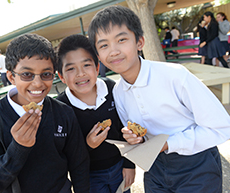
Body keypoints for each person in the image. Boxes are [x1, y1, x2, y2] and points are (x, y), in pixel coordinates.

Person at [88, 5, 230, 193]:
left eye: (121, 40)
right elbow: (143, 136)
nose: (113, 51)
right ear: (98, 56)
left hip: (197, 166)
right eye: (104, 45)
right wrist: (136, 139)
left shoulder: (175, 76)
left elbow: (222, 127)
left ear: (140, 42)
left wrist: (169, 144)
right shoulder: (119, 92)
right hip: (155, 170)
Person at [0, 33, 90, 193]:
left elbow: (79, 165)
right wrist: (18, 148)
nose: (38, 83)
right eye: (27, 74)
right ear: (11, 77)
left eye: (46, 74)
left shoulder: (63, 112)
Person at [56, 34, 136, 193]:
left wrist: (129, 164)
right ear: (61, 76)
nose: (80, 73)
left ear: (97, 67)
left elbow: (128, 126)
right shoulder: (61, 107)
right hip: (89, 176)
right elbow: (65, 155)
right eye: (71, 68)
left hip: (120, 166)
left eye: (86, 65)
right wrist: (88, 145)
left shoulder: (112, 88)